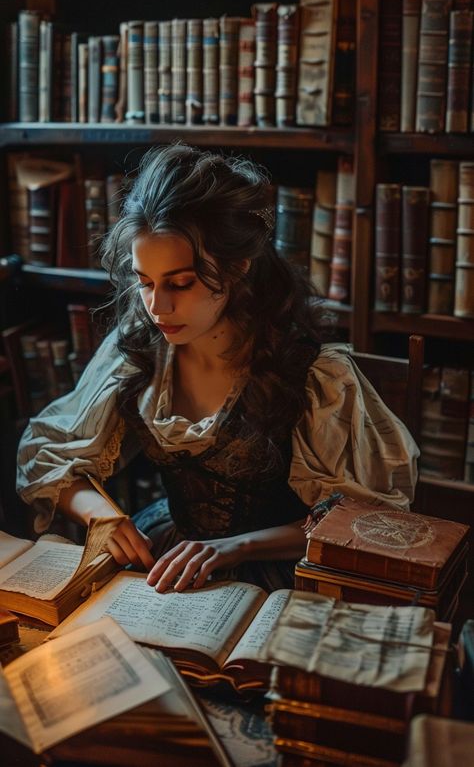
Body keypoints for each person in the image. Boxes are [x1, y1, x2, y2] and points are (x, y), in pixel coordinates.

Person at [16, 143, 419, 594]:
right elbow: (50, 454)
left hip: (277, 569)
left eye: (181, 283)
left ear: (237, 267)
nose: (157, 306)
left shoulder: (314, 373)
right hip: (171, 553)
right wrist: (102, 516)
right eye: (144, 281)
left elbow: (360, 520)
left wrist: (236, 547)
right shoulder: (140, 348)